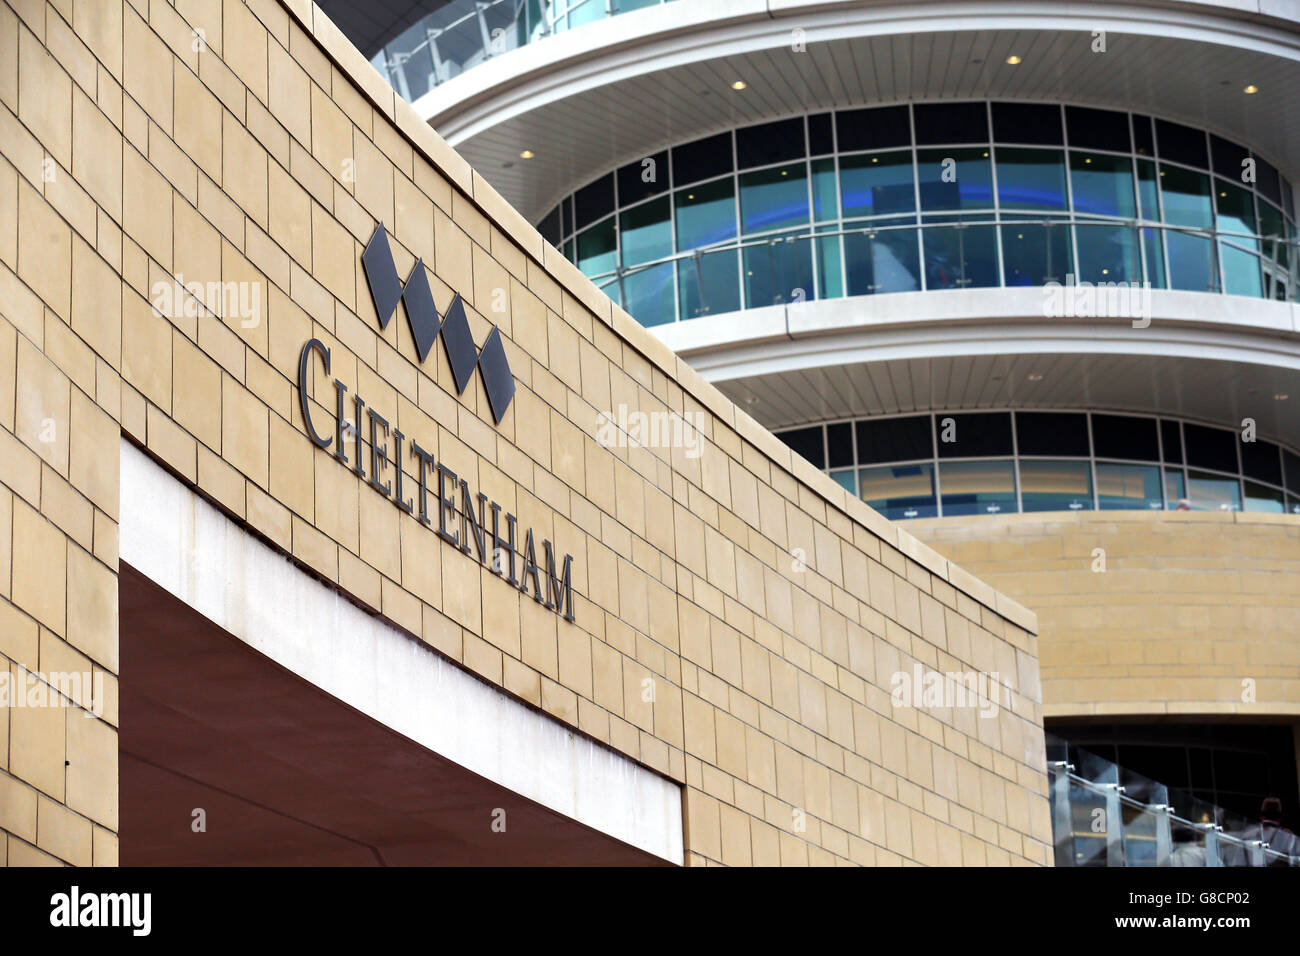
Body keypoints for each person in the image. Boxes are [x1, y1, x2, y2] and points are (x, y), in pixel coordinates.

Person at [1240, 797, 1300, 865]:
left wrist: (1263, 846)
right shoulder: (1289, 836)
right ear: (1280, 818)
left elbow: (1239, 860)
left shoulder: (1249, 834)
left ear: (1261, 816)